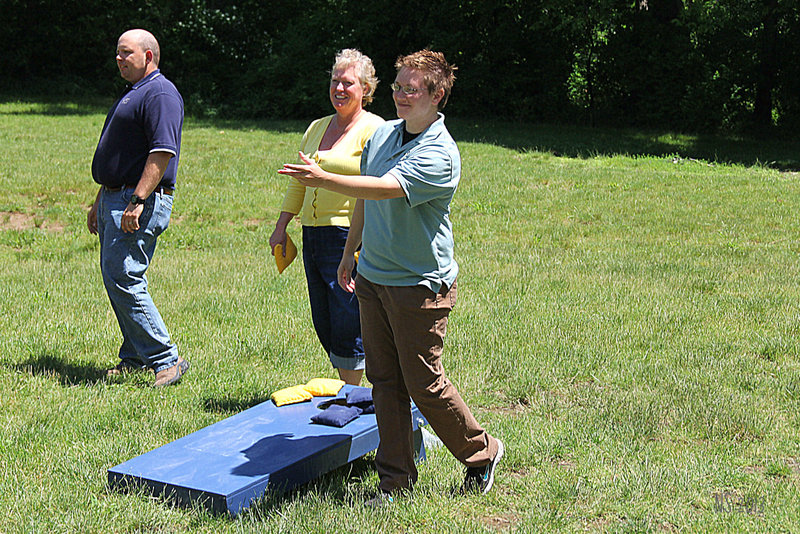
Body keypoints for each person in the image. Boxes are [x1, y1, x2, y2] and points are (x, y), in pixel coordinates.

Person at [279, 50, 503, 499]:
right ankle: (395, 481)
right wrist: (350, 251)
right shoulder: (383, 135)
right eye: (398, 86)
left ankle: (483, 451)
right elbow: (366, 198)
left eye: (411, 89)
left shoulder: (440, 152)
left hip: (419, 284)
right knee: (383, 381)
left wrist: (322, 178)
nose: (400, 95)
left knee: (424, 383)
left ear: (437, 95)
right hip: (374, 277)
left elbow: (386, 188)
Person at [270, 49, 384, 386]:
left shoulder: (374, 128)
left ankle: (354, 397)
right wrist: (281, 226)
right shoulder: (317, 127)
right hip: (313, 235)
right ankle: (353, 391)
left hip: (350, 235)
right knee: (325, 319)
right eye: (335, 81)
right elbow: (299, 179)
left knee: (349, 318)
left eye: (348, 83)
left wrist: (324, 163)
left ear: (365, 88)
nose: (339, 88)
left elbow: (372, 173)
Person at [87, 29, 189, 387]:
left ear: (148, 56)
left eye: (126, 53)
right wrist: (102, 197)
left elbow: (161, 152)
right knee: (117, 279)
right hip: (116, 198)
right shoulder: (134, 93)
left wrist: (138, 200)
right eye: (117, 52)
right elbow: (123, 153)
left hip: (138, 199)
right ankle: (135, 357)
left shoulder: (160, 93)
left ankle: (166, 358)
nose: (119, 58)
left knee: (125, 277)